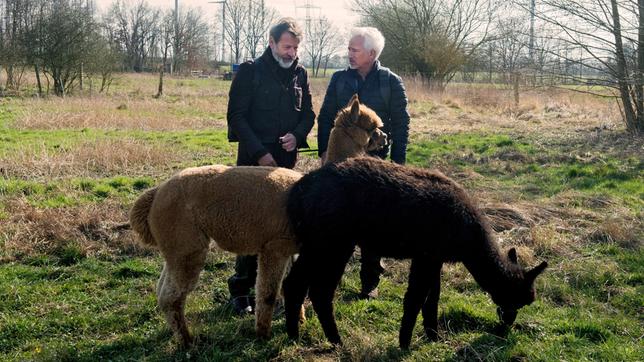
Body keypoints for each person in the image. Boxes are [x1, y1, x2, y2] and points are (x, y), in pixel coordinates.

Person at [226, 18, 315, 315]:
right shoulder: (251, 71)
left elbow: (309, 114)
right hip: (252, 165)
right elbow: (237, 117)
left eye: (295, 47)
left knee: (282, 227)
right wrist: (260, 153)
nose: (291, 52)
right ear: (272, 43)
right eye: (287, 46)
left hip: (286, 167)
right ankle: (240, 291)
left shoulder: (300, 74)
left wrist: (297, 135)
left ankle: (278, 293)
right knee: (249, 226)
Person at [317, 27, 410, 299]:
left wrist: (398, 163)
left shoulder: (390, 82)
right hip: (341, 166)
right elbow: (325, 118)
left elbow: (402, 124)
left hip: (377, 162)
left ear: (371, 53)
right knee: (335, 219)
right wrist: (325, 152)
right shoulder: (338, 80)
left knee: (373, 221)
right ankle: (328, 276)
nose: (349, 54)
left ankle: (370, 281)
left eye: (354, 50)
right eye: (349, 49)